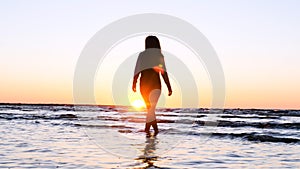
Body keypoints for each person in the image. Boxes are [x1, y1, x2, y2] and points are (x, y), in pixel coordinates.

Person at [132, 36, 172, 136]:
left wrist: (134, 82)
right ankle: (152, 131)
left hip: (144, 84)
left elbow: (137, 69)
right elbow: (163, 72)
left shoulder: (142, 55)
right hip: (155, 84)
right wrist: (168, 86)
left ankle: (149, 130)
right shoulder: (159, 55)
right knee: (151, 109)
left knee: (150, 108)